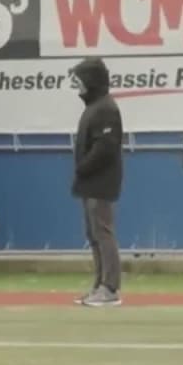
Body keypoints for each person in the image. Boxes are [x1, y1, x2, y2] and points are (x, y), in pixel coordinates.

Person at [68, 56, 124, 307]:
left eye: (79, 80)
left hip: (100, 183)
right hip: (89, 183)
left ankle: (110, 287)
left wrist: (83, 167)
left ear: (91, 81)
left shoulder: (106, 109)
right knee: (93, 234)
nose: (76, 86)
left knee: (103, 233)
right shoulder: (94, 107)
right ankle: (99, 285)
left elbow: (106, 148)